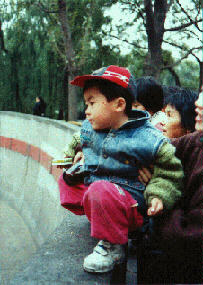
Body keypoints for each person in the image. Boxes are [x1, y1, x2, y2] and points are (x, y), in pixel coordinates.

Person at [58, 65, 183, 273]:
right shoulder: (93, 125)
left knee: (100, 190)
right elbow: (80, 137)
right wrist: (71, 154)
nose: (86, 110)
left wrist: (158, 195)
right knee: (67, 180)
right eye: (85, 103)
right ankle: (102, 215)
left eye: (92, 103)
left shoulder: (148, 139)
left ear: (118, 104)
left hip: (130, 203)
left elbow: (169, 172)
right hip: (100, 188)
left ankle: (112, 245)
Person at [137, 88, 203, 284]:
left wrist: (161, 198)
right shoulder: (196, 142)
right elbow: (146, 149)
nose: (198, 103)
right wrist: (86, 148)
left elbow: (186, 238)